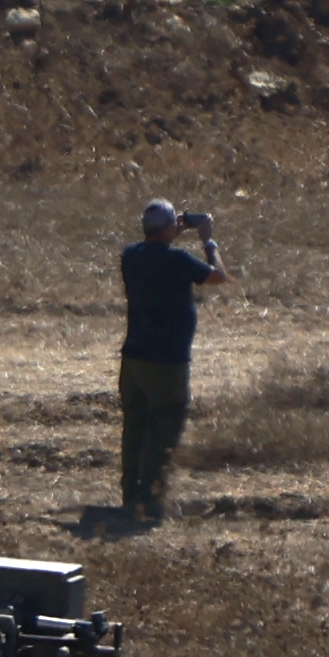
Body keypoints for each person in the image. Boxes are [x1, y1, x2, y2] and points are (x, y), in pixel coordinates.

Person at [112, 199, 220, 529]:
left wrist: (175, 227)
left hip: (134, 358)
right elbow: (218, 276)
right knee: (165, 429)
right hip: (167, 361)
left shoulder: (131, 256)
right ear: (169, 227)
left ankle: (131, 497)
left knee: (136, 429)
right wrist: (208, 240)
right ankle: (151, 501)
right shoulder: (177, 260)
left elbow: (155, 247)